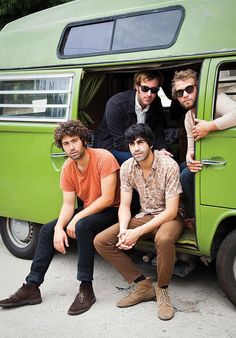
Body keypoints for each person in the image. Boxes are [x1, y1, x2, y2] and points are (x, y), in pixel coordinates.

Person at [0, 120, 120, 315]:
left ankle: (86, 288)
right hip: (90, 209)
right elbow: (67, 204)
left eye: (74, 141)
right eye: (66, 143)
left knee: (82, 225)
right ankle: (32, 286)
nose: (71, 147)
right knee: (48, 229)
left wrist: (75, 219)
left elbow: (107, 199)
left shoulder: (103, 158)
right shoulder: (67, 168)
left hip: (113, 210)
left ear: (83, 140)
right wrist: (59, 228)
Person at [94, 123, 183, 321]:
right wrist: (125, 230)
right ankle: (142, 285)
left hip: (170, 216)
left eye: (140, 142)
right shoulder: (127, 167)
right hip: (145, 214)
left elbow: (171, 211)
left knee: (164, 238)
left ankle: (162, 289)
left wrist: (137, 232)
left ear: (150, 144)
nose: (136, 148)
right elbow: (124, 205)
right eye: (132, 144)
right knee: (102, 241)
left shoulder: (169, 165)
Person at [171, 69, 236, 226]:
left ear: (198, 88)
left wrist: (210, 126)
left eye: (189, 89)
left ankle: (200, 219)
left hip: (224, 157)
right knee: (180, 167)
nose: (185, 95)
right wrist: (190, 157)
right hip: (206, 156)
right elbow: (191, 144)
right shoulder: (189, 116)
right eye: (180, 93)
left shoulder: (216, 99)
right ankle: (185, 211)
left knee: (186, 177)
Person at [94, 70, 171, 165]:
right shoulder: (116, 104)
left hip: (140, 146)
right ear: (136, 86)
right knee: (143, 162)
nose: (149, 94)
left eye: (154, 90)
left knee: (166, 159)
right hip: (111, 146)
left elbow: (158, 131)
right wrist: (148, 153)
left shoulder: (156, 103)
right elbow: (119, 142)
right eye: (145, 88)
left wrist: (161, 150)